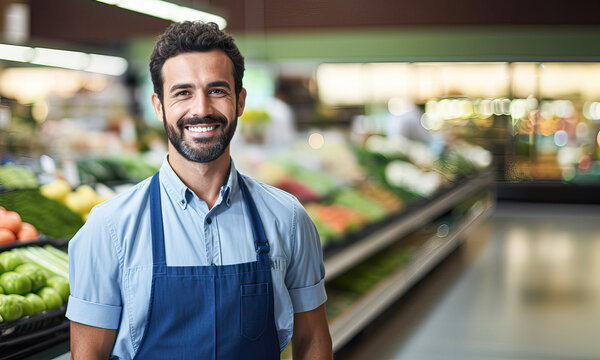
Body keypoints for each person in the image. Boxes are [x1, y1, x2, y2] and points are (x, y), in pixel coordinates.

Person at [66, 21, 332, 359]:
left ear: (240, 101)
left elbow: (312, 342)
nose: (202, 109)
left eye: (217, 90)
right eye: (182, 92)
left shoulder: (288, 218)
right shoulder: (109, 228)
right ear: (159, 105)